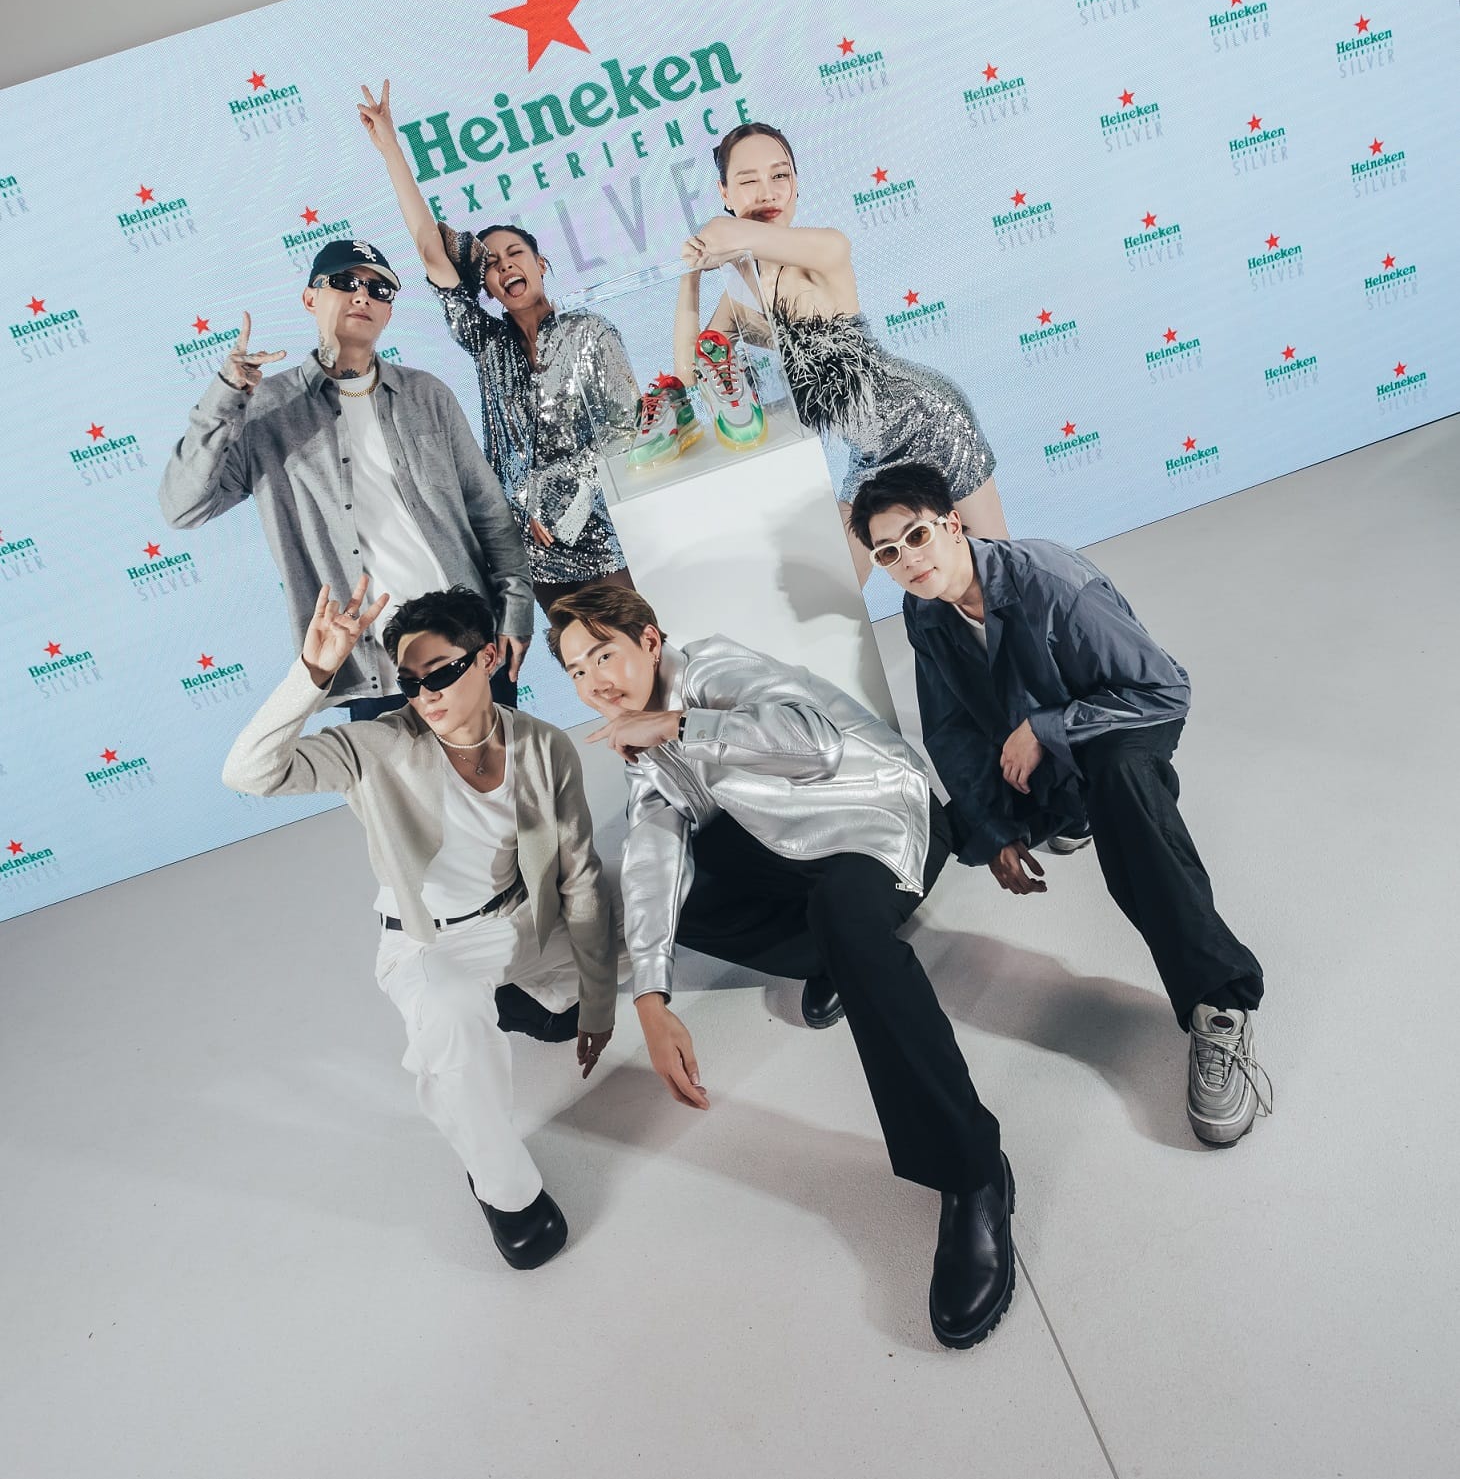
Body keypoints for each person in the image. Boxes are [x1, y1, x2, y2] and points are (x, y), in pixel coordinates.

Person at [547, 578, 1016, 1351]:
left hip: (879, 815)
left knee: (844, 917)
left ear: (650, 642)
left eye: (603, 653)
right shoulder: (640, 743)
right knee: (676, 888)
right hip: (797, 844)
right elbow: (655, 844)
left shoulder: (712, 668)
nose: (593, 679)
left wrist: (678, 722)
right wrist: (652, 999)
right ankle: (840, 958)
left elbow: (813, 742)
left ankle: (974, 1174)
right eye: (575, 669)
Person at [851, 461, 1272, 1148]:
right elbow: (949, 729)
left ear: (952, 525)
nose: (909, 560)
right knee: (931, 816)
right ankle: (1063, 812)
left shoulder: (1053, 584)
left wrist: (1046, 729)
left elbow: (1165, 691)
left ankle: (1218, 1002)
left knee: (1123, 790)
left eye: (917, 536)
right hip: (1032, 751)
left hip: (1120, 725)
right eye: (888, 553)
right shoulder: (923, 611)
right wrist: (994, 828)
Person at [222, 579, 617, 1269]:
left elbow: (580, 875)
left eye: (441, 673)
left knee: (628, 933)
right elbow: (249, 772)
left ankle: (522, 1000)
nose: (425, 694)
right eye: (410, 681)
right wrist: (312, 672)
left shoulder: (544, 745)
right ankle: (505, 1190)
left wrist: (601, 1003)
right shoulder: (377, 747)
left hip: (524, 919)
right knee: (453, 1027)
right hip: (433, 942)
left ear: (488, 657)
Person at [159, 238, 533, 715]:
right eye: (344, 282)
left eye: (379, 289)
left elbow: (490, 513)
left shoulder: (427, 394)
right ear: (310, 298)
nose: (362, 295)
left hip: (471, 647)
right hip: (374, 671)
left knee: (509, 765)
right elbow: (183, 507)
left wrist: (516, 610)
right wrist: (226, 396)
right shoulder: (266, 410)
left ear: (389, 312)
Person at [675, 121, 1007, 581]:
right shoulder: (741, 292)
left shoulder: (826, 248)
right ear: (724, 192)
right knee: (840, 586)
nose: (767, 192)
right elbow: (690, 374)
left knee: (996, 570)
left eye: (780, 175)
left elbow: (722, 232)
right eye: (748, 181)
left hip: (928, 420)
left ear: (796, 184)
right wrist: (690, 273)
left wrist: (714, 236)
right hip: (868, 455)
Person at [357, 81, 640, 615]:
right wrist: (391, 148)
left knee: (638, 644)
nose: (506, 264)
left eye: (516, 253)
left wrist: (561, 493)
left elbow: (625, 428)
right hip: (529, 547)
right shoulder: (486, 344)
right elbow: (430, 250)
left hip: (603, 532)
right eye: (492, 262)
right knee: (577, 654)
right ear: (485, 286)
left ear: (541, 264)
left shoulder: (592, 331)